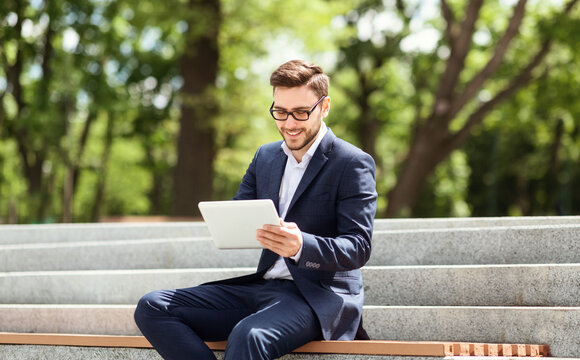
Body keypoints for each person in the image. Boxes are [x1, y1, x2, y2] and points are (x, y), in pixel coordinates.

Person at [134, 59, 378, 360]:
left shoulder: (352, 162)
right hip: (263, 286)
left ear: (324, 106)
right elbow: (242, 210)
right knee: (153, 307)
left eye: (301, 112)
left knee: (250, 335)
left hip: (318, 298)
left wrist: (302, 246)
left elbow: (358, 246)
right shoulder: (266, 157)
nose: (289, 124)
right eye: (280, 112)